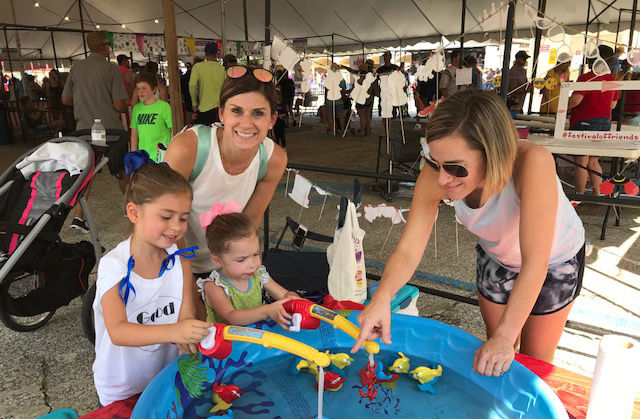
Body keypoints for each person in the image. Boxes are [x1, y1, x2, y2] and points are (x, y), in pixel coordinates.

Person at [353, 89, 585, 376]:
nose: (442, 178)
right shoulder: (438, 172)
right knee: (497, 350)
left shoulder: (533, 163)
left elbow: (535, 262)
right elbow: (409, 250)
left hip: (553, 261)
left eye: (456, 168)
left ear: (493, 153)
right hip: (496, 255)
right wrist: (381, 299)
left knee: (534, 364)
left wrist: (505, 335)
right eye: (434, 162)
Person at [163, 65, 287, 320]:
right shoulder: (190, 148)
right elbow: (166, 222)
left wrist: (243, 273)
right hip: (171, 255)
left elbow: (246, 226)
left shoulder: (273, 159)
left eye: (258, 113)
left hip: (221, 266)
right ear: (221, 113)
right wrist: (188, 290)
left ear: (272, 120)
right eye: (236, 111)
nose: (246, 123)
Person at [92, 158, 211, 406]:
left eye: (182, 218)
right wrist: (175, 331)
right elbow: (118, 331)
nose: (176, 227)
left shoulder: (180, 259)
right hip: (121, 387)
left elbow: (186, 315)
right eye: (166, 217)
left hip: (166, 376)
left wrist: (190, 334)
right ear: (134, 212)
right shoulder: (115, 266)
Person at [62, 31, 129, 233]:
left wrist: (85, 103)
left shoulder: (76, 68)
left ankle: (78, 217)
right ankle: (130, 208)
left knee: (88, 173)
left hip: (84, 130)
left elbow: (65, 100)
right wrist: (125, 106)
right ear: (104, 47)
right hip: (110, 132)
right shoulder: (111, 69)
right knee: (121, 170)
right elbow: (119, 105)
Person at [197, 207, 299, 326]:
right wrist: (266, 311)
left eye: (256, 254)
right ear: (218, 261)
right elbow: (231, 317)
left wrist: (291, 298)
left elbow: (283, 294)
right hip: (229, 342)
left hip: (256, 335)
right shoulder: (214, 287)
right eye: (241, 260)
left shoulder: (259, 274)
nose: (253, 264)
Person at [568, 44, 619, 196]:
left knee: (581, 161)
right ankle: (598, 193)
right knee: (593, 161)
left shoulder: (586, 77)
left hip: (584, 121)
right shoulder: (611, 79)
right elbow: (613, 104)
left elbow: (576, 100)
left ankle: (580, 194)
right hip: (603, 122)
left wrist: (564, 105)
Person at [130, 73, 172, 161]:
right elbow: (134, 132)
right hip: (143, 154)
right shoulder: (136, 109)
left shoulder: (164, 106)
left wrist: (171, 149)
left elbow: (172, 129)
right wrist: (133, 153)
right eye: (138, 89)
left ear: (154, 90)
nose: (140, 92)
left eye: (144, 88)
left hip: (161, 154)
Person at [189, 41, 226, 125]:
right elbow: (226, 87)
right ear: (217, 53)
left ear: (205, 53)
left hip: (203, 108)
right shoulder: (222, 69)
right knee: (218, 135)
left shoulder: (198, 67)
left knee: (204, 135)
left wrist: (194, 103)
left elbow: (192, 85)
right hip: (219, 109)